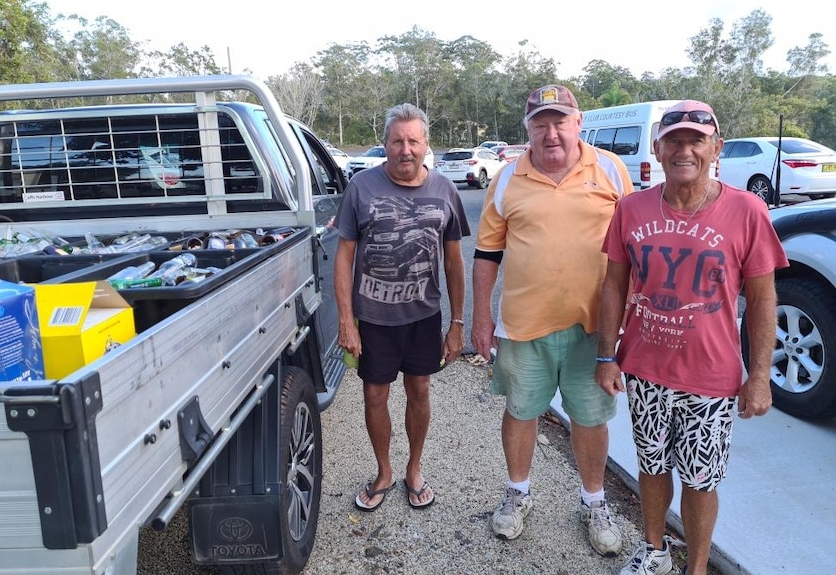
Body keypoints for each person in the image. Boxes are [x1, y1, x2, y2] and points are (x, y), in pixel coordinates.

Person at [596, 100, 788, 575]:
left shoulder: (747, 210)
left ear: (716, 148)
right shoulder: (631, 208)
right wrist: (607, 355)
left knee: (701, 480)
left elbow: (763, 300)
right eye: (674, 141)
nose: (685, 150)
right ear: (658, 150)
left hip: (710, 378)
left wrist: (760, 375)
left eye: (696, 140)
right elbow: (615, 284)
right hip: (643, 369)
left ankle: (696, 567)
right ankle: (655, 550)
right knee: (652, 467)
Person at [471, 84, 633, 555]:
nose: (551, 133)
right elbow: (485, 254)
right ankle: (517, 493)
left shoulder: (609, 169)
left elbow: (634, 245)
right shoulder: (506, 177)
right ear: (528, 131)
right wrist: (482, 319)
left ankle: (594, 501)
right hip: (523, 326)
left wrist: (631, 317)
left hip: (594, 330)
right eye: (540, 124)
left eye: (560, 121)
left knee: (590, 417)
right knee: (521, 411)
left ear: (579, 123)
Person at [333, 102, 469, 512]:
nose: (405, 149)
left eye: (413, 141)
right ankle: (384, 471)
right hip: (373, 317)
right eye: (397, 141)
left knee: (420, 389)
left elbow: (454, 260)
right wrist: (346, 321)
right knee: (375, 394)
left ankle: (413, 468)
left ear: (426, 144)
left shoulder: (445, 190)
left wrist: (457, 322)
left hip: (423, 316)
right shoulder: (361, 187)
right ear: (386, 144)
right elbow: (344, 256)